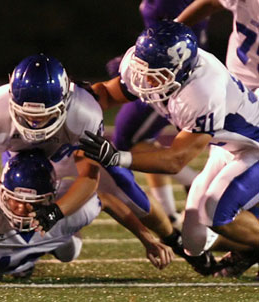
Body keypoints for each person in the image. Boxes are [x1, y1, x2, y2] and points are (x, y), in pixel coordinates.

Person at [0, 53, 207, 274]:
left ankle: (176, 240)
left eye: (44, 115)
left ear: (65, 102)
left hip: (66, 151)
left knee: (130, 192)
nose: (35, 122)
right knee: (8, 207)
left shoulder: (84, 112)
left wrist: (57, 211)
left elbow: (90, 178)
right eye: (28, 114)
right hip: (21, 159)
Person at [80, 20, 259, 277]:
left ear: (182, 69)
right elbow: (109, 94)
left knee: (216, 211)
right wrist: (76, 100)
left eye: (157, 73)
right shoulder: (142, 65)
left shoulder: (203, 90)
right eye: (144, 70)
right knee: (193, 243)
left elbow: (175, 160)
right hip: (228, 145)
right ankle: (252, 248)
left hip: (254, 145)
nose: (146, 79)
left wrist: (117, 157)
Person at [0, 150, 172, 281]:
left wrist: (146, 239)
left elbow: (109, 200)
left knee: (70, 253)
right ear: (2, 191)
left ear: (50, 199)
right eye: (14, 199)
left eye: (30, 203)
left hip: (53, 234)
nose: (20, 208)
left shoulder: (68, 212)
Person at [106, 0, 210, 229]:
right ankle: (171, 215)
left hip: (167, 82)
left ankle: (195, 183)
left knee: (129, 143)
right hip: (155, 74)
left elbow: (174, 42)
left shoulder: (169, 3)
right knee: (136, 141)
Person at [175, 0, 259, 277]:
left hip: (241, 99)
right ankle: (250, 247)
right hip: (237, 94)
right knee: (204, 214)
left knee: (219, 203)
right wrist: (175, 27)